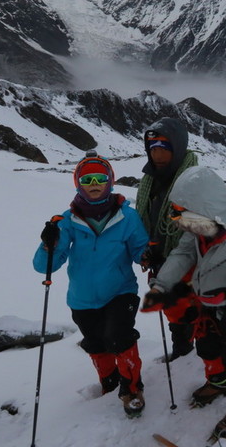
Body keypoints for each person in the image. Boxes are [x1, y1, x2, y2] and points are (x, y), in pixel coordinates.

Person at [141, 166, 226, 442]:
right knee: (207, 345)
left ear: (202, 203)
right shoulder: (200, 225)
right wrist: (162, 285)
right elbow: (182, 253)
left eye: (183, 209)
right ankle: (219, 382)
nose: (178, 216)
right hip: (209, 303)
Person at [34, 153, 150, 418]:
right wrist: (48, 244)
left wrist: (148, 255)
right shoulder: (67, 221)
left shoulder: (127, 217)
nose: (94, 183)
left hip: (120, 291)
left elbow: (139, 251)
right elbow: (45, 266)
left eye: (101, 178)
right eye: (88, 179)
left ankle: (132, 388)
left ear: (110, 182)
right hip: (83, 298)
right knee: (96, 343)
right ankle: (109, 383)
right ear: (78, 183)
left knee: (119, 337)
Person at [134, 118, 200, 361]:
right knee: (172, 305)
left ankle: (189, 349)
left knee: (184, 304)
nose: (157, 152)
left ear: (177, 146)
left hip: (187, 256)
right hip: (159, 255)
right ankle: (184, 347)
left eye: (164, 145)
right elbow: (144, 215)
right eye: (152, 147)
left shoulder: (194, 178)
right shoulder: (149, 180)